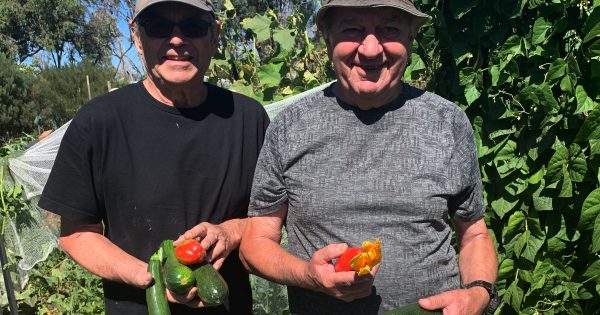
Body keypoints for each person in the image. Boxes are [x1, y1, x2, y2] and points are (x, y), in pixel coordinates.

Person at [239, 0, 499, 314]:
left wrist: (479, 293)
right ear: (329, 38)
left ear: (410, 38)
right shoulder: (291, 127)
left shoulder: (447, 122)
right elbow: (255, 243)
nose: (372, 49)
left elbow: (474, 233)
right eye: (353, 29)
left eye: (389, 29)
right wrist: (309, 276)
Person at [38, 0, 269, 313]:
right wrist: (151, 276)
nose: (176, 40)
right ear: (137, 37)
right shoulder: (99, 121)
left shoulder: (248, 119)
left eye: (193, 26)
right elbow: (76, 234)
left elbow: (269, 218)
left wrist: (232, 231)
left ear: (214, 35)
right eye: (158, 26)